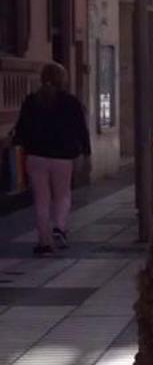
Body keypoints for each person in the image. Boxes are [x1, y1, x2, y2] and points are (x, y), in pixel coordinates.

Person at [12, 63, 91, 256]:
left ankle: (43, 242)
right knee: (62, 195)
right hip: (62, 157)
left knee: (41, 200)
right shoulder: (71, 102)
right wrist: (86, 152)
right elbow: (81, 129)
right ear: (63, 79)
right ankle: (60, 228)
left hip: (36, 156)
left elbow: (21, 129)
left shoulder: (32, 101)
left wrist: (17, 143)